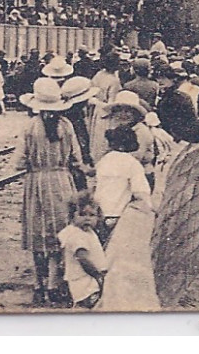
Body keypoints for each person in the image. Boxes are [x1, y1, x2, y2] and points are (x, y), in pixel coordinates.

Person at [14, 77, 82, 307]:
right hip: (62, 179)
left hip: (37, 181)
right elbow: (76, 159)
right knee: (58, 230)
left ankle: (38, 284)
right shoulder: (66, 126)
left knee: (37, 230)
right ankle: (54, 283)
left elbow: (19, 162)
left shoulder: (29, 127)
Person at [93, 125, 151, 245]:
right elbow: (140, 192)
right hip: (119, 216)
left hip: (100, 214)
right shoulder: (132, 163)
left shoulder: (104, 160)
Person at [57, 195, 108, 309]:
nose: (87, 218)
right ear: (72, 216)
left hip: (86, 278)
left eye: (92, 215)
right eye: (82, 214)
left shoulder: (85, 232)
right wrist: (97, 275)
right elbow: (82, 258)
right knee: (91, 303)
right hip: (85, 279)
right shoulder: (77, 236)